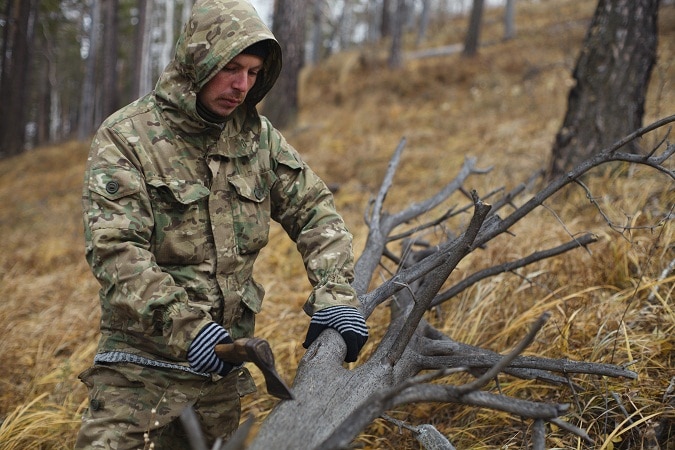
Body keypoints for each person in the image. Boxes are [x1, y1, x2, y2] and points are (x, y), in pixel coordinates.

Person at [74, 0, 368, 448]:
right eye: (230, 67)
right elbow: (115, 252)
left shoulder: (258, 137)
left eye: (252, 72)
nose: (241, 85)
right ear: (197, 60)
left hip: (220, 383)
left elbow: (314, 210)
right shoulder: (126, 138)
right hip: (137, 373)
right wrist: (189, 329)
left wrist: (335, 294)